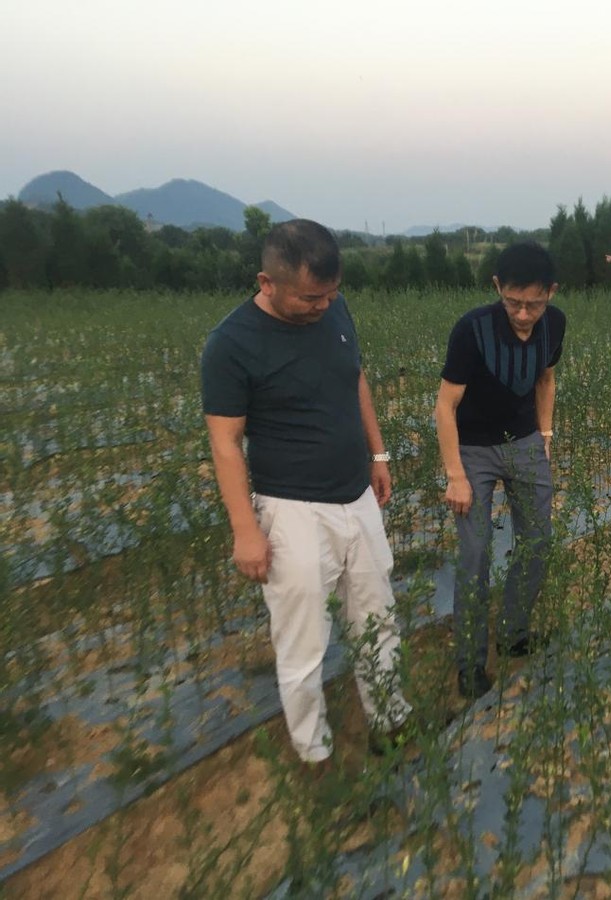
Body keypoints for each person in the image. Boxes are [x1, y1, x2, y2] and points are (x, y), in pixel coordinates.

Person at [201, 219, 411, 768]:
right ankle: (314, 753)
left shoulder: (335, 309)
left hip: (356, 496)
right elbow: (225, 443)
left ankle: (390, 722)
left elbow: (354, 378)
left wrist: (378, 453)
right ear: (266, 283)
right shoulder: (231, 344)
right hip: (292, 509)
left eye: (331, 293)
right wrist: (245, 530)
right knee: (302, 642)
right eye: (310, 297)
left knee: (378, 618)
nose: (323, 305)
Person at [435, 242, 566, 700]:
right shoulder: (472, 330)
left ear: (551, 292)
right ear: (497, 288)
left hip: (526, 443)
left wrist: (545, 436)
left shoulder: (556, 324)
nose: (524, 314)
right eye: (513, 302)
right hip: (473, 451)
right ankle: (470, 665)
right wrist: (455, 474)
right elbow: (445, 405)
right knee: (475, 556)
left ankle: (513, 633)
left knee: (538, 540)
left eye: (534, 303)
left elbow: (546, 379)